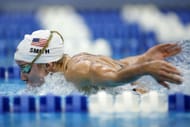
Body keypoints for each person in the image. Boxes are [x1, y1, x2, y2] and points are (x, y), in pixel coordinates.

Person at [14, 30, 183, 93]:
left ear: (48, 64)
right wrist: (144, 59)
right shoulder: (77, 61)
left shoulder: (77, 70)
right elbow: (118, 64)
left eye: (25, 68)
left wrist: (145, 68)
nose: (22, 76)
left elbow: (115, 76)